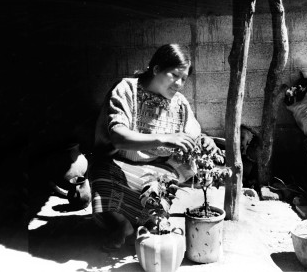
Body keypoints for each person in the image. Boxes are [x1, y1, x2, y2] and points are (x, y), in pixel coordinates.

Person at [88, 43, 219, 251]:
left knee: (159, 193)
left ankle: (140, 220)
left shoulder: (180, 104)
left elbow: (192, 136)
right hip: (118, 165)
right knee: (101, 176)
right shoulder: (126, 89)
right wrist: (162, 138)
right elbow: (118, 137)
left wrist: (204, 141)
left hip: (156, 171)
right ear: (156, 69)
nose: (179, 84)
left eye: (184, 79)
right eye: (175, 75)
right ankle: (121, 223)